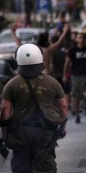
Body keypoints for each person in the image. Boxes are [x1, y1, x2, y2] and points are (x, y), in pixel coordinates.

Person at [0, 43, 68, 172]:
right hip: (45, 132)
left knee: (21, 166)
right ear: (40, 58)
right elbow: (63, 106)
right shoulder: (52, 82)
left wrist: (4, 134)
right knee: (45, 166)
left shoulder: (12, 84)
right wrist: (63, 127)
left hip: (20, 133)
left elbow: (5, 111)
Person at [63, 32, 86, 123]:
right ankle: (77, 114)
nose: (81, 39)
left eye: (83, 38)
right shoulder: (73, 50)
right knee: (76, 96)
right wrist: (65, 74)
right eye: (79, 38)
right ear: (76, 39)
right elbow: (67, 63)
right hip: (76, 75)